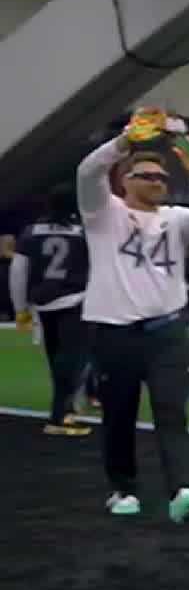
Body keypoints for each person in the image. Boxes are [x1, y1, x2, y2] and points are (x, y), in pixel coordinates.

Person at [79, 108, 189, 522]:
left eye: (162, 177)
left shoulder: (175, 219)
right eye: (146, 176)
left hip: (168, 330)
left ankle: (182, 488)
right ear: (125, 181)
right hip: (116, 332)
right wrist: (125, 143)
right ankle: (123, 489)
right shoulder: (103, 213)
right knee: (119, 415)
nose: (157, 182)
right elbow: (88, 171)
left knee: (172, 411)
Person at [9, 184, 93, 436]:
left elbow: (18, 272)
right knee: (73, 360)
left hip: (43, 303)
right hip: (76, 300)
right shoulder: (83, 232)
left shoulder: (31, 232)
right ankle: (61, 416)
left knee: (57, 359)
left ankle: (64, 409)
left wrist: (20, 309)